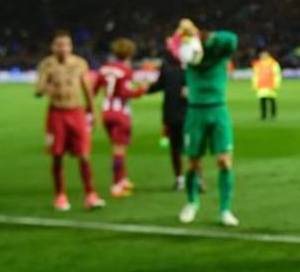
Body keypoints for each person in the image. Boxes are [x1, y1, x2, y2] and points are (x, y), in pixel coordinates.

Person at [173, 19, 240, 227]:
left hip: (218, 110)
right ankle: (192, 203)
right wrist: (185, 31)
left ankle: (225, 210)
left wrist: (208, 38)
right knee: (193, 162)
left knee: (224, 161)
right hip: (195, 113)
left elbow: (232, 39)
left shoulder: (219, 52)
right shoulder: (186, 52)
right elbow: (173, 44)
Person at [35, 30, 105, 211]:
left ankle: (91, 194)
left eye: (67, 44)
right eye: (60, 45)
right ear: (53, 47)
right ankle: (60, 195)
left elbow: (87, 87)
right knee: (57, 156)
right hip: (56, 113)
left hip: (76, 112)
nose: (63, 48)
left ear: (71, 46)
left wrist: (92, 110)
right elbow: (38, 91)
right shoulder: (47, 64)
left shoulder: (80, 63)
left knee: (84, 155)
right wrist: (48, 82)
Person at [93, 37, 148, 197]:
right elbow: (125, 92)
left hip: (106, 112)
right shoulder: (126, 70)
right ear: (130, 53)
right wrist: (141, 90)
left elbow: (94, 89)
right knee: (119, 150)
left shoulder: (104, 68)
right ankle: (117, 185)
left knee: (117, 148)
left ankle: (122, 179)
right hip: (121, 114)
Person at [146, 39, 188, 190]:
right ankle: (184, 179)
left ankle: (183, 179)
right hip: (178, 114)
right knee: (184, 148)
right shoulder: (184, 69)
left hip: (177, 113)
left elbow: (158, 85)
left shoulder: (174, 68)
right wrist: (142, 90)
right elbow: (158, 85)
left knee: (179, 148)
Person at [252, 49, 282, 120]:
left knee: (272, 100)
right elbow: (255, 75)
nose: (263, 57)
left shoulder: (273, 63)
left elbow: (277, 74)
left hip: (271, 85)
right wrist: (255, 84)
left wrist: (276, 84)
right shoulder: (258, 64)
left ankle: (273, 115)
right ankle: (263, 115)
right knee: (263, 101)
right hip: (262, 86)